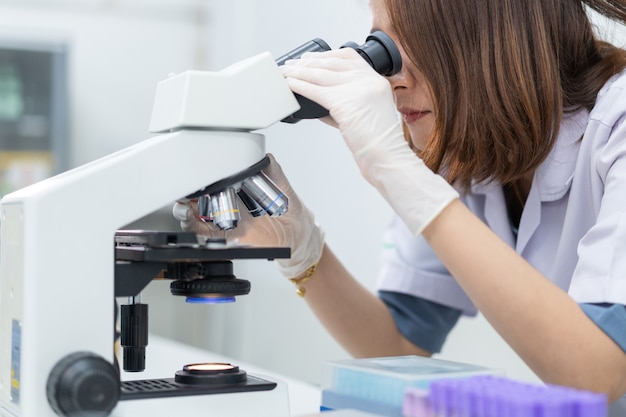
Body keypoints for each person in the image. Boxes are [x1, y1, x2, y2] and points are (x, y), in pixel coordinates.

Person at [174, 0, 626, 411]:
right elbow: (400, 345)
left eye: (416, 43)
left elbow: (598, 371)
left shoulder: (618, 123)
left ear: (492, 41)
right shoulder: (466, 150)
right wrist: (299, 248)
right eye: (383, 45)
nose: (393, 77)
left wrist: (397, 170)